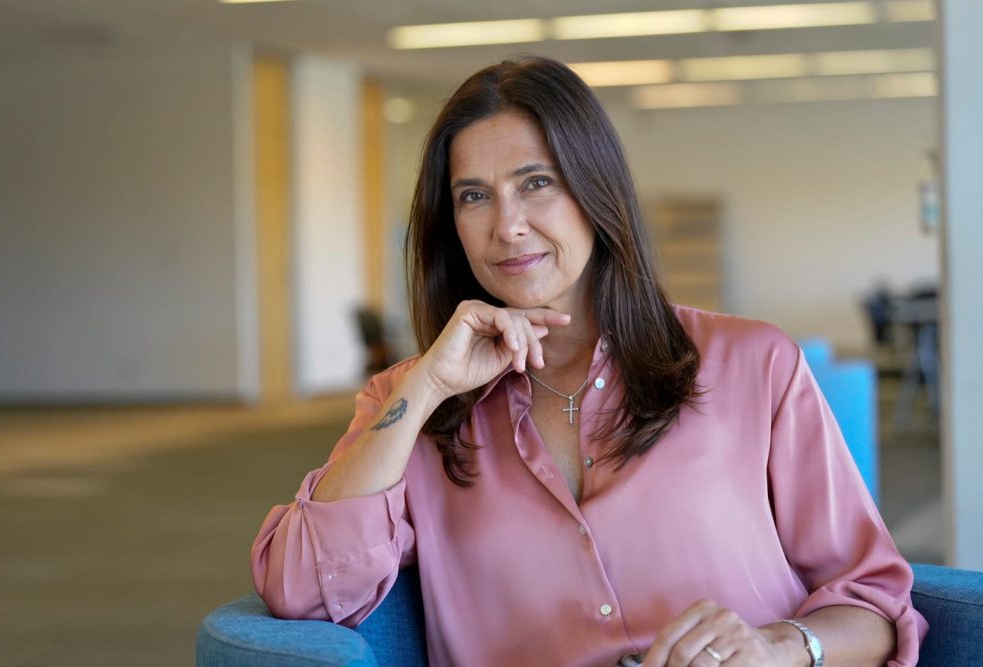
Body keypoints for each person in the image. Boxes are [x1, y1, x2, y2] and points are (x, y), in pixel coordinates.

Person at [252, 56, 927, 666]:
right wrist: (426, 384)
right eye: (474, 195)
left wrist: (780, 647)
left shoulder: (753, 363)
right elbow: (302, 591)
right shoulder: (410, 404)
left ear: (595, 191)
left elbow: (873, 604)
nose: (508, 225)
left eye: (536, 183)